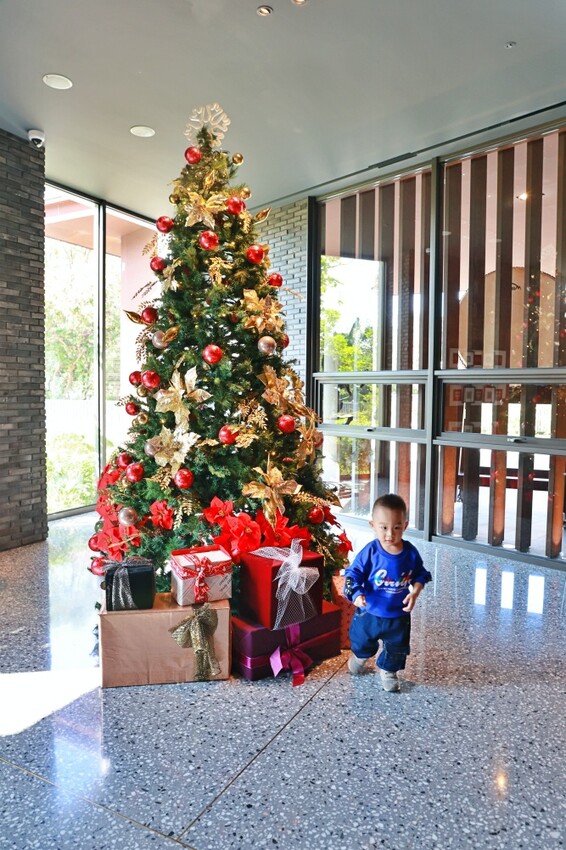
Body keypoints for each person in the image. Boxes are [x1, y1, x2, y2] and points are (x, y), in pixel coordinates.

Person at [344, 493, 431, 692]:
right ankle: (361, 656)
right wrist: (356, 594)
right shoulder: (371, 552)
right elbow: (353, 573)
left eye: (397, 527)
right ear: (372, 525)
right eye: (383, 527)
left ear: (405, 525)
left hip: (398, 614)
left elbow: (421, 574)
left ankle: (389, 671)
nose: (390, 534)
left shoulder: (410, 553)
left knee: (397, 647)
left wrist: (415, 592)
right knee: (362, 640)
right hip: (370, 611)